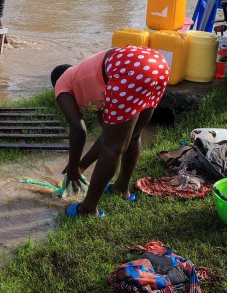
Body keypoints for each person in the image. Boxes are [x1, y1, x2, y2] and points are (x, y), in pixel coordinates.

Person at [51, 45, 170, 217]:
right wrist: (82, 165)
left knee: (112, 147)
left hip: (129, 67)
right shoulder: (90, 79)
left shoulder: (62, 84)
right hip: (158, 64)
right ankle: (121, 188)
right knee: (133, 135)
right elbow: (108, 133)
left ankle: (87, 208)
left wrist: (72, 168)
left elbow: (79, 130)